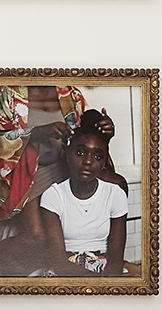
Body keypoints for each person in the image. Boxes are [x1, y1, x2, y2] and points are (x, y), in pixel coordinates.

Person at [28, 112, 128, 277]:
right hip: (65, 269)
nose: (88, 161)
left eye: (97, 156)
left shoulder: (115, 193)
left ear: (104, 163)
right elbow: (58, 262)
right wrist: (94, 284)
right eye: (80, 153)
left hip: (102, 267)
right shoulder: (53, 195)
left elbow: (116, 262)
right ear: (67, 155)